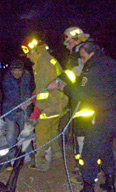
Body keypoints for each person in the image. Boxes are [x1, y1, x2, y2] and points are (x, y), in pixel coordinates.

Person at [53, 41, 116, 192]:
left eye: (83, 57)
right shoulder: (110, 62)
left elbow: (81, 94)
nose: (82, 61)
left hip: (103, 115)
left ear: (90, 53)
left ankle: (88, 189)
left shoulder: (93, 68)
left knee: (89, 151)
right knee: (105, 146)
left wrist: (63, 88)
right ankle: (110, 183)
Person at [47, 27, 93, 179]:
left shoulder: (86, 54)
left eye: (69, 42)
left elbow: (75, 74)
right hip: (80, 100)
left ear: (79, 38)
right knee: (80, 135)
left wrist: (59, 83)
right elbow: (71, 74)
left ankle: (87, 172)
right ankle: (85, 168)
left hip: (87, 103)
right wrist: (58, 81)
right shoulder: (78, 54)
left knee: (85, 137)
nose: (67, 46)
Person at [22, 37, 69, 172]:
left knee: (41, 134)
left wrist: (36, 112)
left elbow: (43, 94)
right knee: (53, 131)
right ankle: (57, 155)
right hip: (59, 104)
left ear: (35, 51)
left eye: (29, 53)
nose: (27, 56)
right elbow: (43, 87)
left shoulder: (42, 64)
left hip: (50, 106)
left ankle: (41, 165)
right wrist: (31, 99)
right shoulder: (47, 59)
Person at [2, 59, 34, 149]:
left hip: (24, 111)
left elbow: (29, 89)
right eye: (14, 71)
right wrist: (20, 103)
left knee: (26, 133)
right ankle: (12, 154)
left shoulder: (27, 76)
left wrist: (28, 100)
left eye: (19, 70)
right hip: (10, 110)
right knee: (10, 135)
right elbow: (9, 94)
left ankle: (27, 154)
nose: (17, 73)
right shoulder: (6, 78)